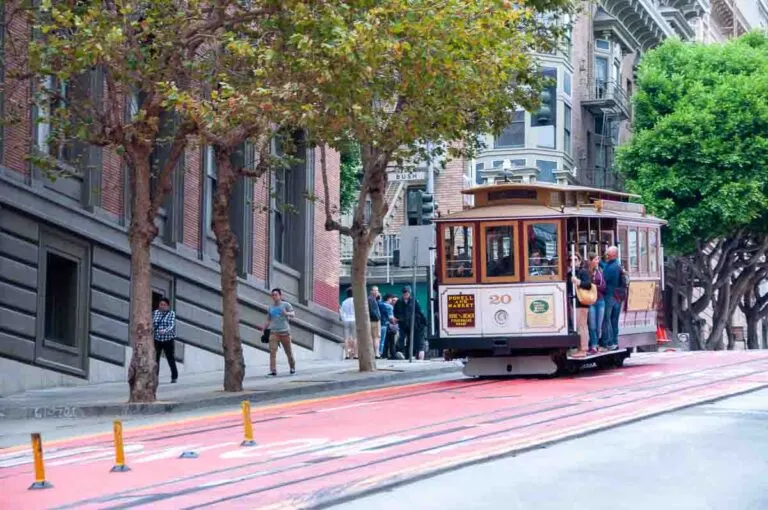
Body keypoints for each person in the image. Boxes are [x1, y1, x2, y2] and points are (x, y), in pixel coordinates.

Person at [259, 288, 296, 376]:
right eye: (273, 295)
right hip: (274, 332)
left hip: (285, 332)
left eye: (276, 295)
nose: (274, 297)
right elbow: (269, 319)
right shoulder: (270, 308)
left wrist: (286, 313)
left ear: (280, 295)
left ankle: (292, 367)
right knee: (272, 351)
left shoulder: (286, 305)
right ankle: (273, 370)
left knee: (288, 352)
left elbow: (293, 314)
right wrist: (264, 327)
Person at [394, 286, 427, 360]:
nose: (406, 294)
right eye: (404, 292)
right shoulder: (399, 302)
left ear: (409, 293)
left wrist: (424, 321)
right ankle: (403, 353)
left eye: (407, 292)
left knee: (411, 339)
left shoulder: (413, 301)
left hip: (413, 324)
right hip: (403, 323)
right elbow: (395, 312)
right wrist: (399, 318)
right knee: (402, 338)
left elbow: (419, 311)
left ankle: (410, 354)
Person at [568, 254, 591, 358]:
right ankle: (579, 348)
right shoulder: (570, 274)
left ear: (580, 261)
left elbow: (588, 285)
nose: (573, 261)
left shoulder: (583, 272)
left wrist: (578, 282)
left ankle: (583, 349)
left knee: (582, 326)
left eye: (575, 259)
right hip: (573, 302)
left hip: (581, 302)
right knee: (578, 326)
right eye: (571, 260)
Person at [602, 246, 624, 351]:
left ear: (613, 255)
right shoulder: (618, 265)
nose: (606, 256)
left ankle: (609, 342)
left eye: (608, 254)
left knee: (607, 319)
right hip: (618, 297)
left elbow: (604, 279)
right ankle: (615, 341)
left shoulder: (611, 267)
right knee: (614, 320)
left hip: (609, 296)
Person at [153, 297, 178, 383]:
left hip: (168, 339)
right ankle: (155, 377)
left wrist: (165, 330)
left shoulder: (171, 313)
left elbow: (171, 325)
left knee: (170, 358)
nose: (162, 306)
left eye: (164, 305)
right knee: (156, 359)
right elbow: (152, 323)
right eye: (161, 304)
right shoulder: (155, 313)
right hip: (157, 339)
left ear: (167, 306)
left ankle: (174, 377)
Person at [588, 253, 607, 355]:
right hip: (591, 301)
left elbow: (603, 287)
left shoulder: (600, 271)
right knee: (592, 325)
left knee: (599, 325)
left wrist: (594, 286)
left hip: (600, 301)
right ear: (590, 261)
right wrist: (595, 286)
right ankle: (594, 345)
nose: (597, 261)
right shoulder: (587, 272)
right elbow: (586, 285)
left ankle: (597, 343)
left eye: (598, 259)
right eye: (595, 259)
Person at [379, 294, 398, 359]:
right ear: (389, 299)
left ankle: (383, 354)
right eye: (392, 299)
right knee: (391, 341)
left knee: (383, 341)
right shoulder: (389, 306)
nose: (392, 300)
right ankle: (392, 355)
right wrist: (396, 321)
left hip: (380, 324)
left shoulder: (380, 304)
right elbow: (391, 317)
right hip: (388, 325)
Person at [339, 288, 357, 359]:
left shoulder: (344, 302)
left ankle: (347, 354)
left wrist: (343, 319)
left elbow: (341, 312)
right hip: (354, 319)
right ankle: (355, 354)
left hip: (346, 320)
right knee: (355, 338)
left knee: (346, 338)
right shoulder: (355, 301)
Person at [368, 286, 381, 358]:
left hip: (371, 321)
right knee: (376, 337)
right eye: (375, 290)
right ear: (371, 291)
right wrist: (378, 317)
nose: (376, 292)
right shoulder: (371, 300)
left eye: (377, 290)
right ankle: (376, 353)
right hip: (374, 321)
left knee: (373, 337)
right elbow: (373, 311)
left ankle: (374, 353)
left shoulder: (372, 299)